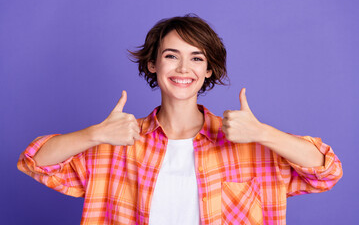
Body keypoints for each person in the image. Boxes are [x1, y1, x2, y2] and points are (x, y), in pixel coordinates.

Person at [17, 14, 342, 225]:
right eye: (171, 56)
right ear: (153, 64)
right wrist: (94, 135)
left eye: (197, 58)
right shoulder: (115, 144)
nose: (184, 69)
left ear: (208, 70)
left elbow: (326, 171)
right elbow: (35, 161)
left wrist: (263, 133)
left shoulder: (249, 143)